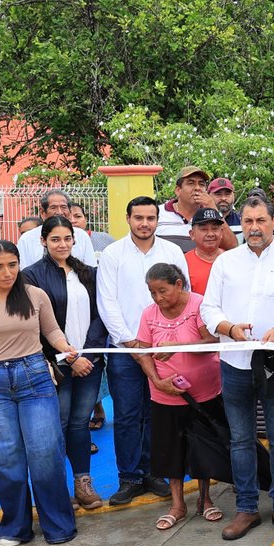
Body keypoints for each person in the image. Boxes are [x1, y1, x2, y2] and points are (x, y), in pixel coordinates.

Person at [0, 242, 83, 546]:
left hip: (35, 378)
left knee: (45, 452)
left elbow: (51, 331)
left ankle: (58, 523)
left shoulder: (34, 295)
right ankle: (15, 526)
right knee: (4, 457)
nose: (7, 272)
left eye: (12, 264)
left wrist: (64, 347)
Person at [201, 196, 274, 541]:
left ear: (273, 223)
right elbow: (208, 308)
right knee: (241, 439)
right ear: (241, 224)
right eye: (248, 221)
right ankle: (246, 508)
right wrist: (228, 328)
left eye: (260, 220)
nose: (254, 228)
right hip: (235, 361)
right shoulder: (226, 262)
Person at [96, 196, 189, 506]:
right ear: (128, 218)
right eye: (139, 218)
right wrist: (128, 340)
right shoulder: (112, 253)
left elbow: (182, 297)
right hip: (125, 349)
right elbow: (107, 301)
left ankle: (154, 473)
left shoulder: (172, 251)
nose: (145, 223)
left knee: (157, 413)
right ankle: (129, 478)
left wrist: (169, 338)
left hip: (164, 348)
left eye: (151, 218)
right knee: (127, 414)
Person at [21, 216, 107, 511]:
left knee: (80, 424)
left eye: (67, 238)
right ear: (43, 241)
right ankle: (54, 490)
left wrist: (89, 356)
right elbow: (35, 324)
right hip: (54, 366)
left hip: (90, 363)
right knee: (55, 425)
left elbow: (101, 316)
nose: (62, 244)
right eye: (55, 239)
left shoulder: (89, 274)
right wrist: (66, 358)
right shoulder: (31, 276)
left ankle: (83, 482)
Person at [133, 263, 222, 529]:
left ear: (179, 285)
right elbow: (142, 352)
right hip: (165, 396)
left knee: (204, 448)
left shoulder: (199, 305)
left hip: (204, 394)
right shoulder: (149, 314)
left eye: (163, 291)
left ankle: (205, 500)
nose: (158, 298)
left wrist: (179, 345)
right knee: (169, 452)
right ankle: (177, 505)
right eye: (153, 293)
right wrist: (158, 382)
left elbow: (213, 343)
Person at [184, 207, 230, 295]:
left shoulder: (232, 260)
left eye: (215, 229)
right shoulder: (183, 263)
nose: (210, 234)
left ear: (221, 233)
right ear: (192, 234)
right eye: (203, 229)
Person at [157, 166, 211, 240]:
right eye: (191, 183)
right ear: (178, 190)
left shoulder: (210, 215)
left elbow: (230, 247)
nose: (197, 188)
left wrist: (213, 208)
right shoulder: (158, 213)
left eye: (201, 184)